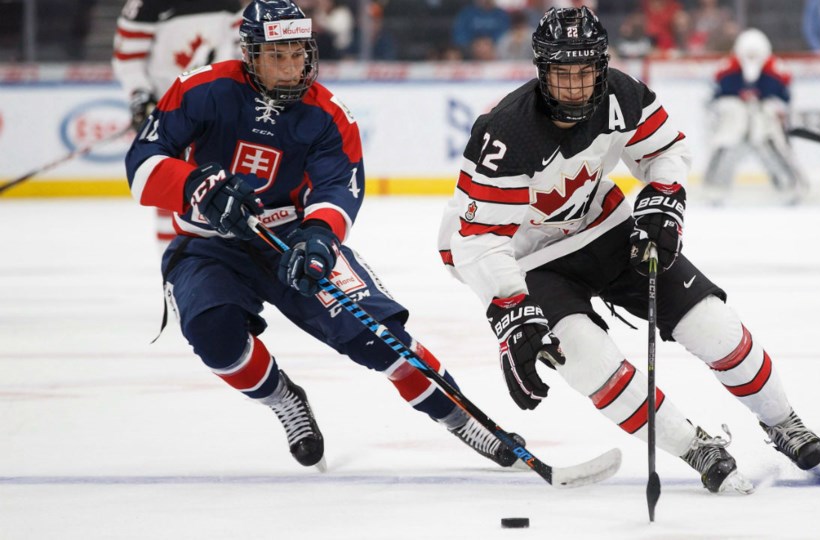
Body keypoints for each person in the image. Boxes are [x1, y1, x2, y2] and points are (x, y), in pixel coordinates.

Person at [437, 7, 820, 494]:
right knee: (588, 360)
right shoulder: (505, 132)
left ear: (601, 68)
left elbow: (665, 150)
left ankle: (783, 422)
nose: (576, 88)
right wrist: (511, 313)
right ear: (541, 72)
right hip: (528, 258)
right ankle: (694, 445)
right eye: (563, 75)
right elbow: (478, 241)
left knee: (713, 324)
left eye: (585, 73)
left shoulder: (621, 93)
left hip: (604, 227)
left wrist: (664, 200)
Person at [125, 0, 525, 472]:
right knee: (214, 335)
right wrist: (195, 186)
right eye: (278, 56)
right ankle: (282, 399)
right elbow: (142, 164)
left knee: (379, 336)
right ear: (250, 54)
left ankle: (464, 420)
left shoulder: (328, 114)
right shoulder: (202, 89)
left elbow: (338, 187)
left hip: (290, 241)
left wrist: (318, 237)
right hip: (209, 247)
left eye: (299, 54)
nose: (293, 67)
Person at [113, 0, 245, 248]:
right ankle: (175, 266)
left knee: (223, 184)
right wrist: (140, 94)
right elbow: (127, 58)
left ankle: (226, 263)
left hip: (220, 103)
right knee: (171, 185)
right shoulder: (144, 5)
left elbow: (242, 46)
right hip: (170, 106)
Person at [704, 28, 811, 204]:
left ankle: (789, 186)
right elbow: (714, 100)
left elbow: (785, 100)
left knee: (772, 146)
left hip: (762, 123)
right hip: (736, 124)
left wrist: (770, 108)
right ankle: (714, 187)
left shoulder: (775, 71)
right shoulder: (727, 70)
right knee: (726, 143)